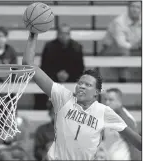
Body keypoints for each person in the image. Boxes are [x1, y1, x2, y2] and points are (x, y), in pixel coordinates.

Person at [22, 32, 141, 160]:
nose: (82, 86)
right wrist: (33, 35)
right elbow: (28, 64)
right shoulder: (63, 97)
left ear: (96, 92)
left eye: (88, 85)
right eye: (80, 83)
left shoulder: (104, 112)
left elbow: (138, 142)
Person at [34, 23, 85, 110]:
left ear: (69, 34)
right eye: (62, 33)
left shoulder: (77, 47)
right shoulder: (49, 46)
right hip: (52, 77)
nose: (64, 36)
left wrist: (68, 74)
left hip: (71, 78)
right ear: (57, 34)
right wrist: (57, 74)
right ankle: (41, 110)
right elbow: (45, 66)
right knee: (40, 85)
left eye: (66, 33)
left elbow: (80, 68)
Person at [100, 1, 141, 82]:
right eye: (133, 6)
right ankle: (123, 80)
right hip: (111, 49)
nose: (135, 10)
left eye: (138, 7)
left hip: (131, 49)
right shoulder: (119, 22)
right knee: (124, 51)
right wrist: (137, 46)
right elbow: (121, 43)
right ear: (128, 8)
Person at [103, 88, 140, 160]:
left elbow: (135, 147)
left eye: (111, 100)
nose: (107, 102)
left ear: (119, 101)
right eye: (105, 99)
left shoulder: (126, 120)